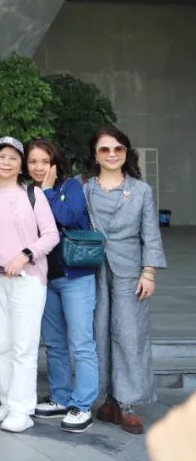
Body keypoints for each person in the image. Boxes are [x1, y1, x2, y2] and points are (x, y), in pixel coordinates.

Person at [84, 126, 166, 435]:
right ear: (95, 155)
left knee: (130, 335)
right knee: (98, 332)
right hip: (92, 270)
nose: (112, 154)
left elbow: (151, 234)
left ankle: (128, 402)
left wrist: (149, 272)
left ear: (126, 153)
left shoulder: (141, 190)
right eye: (104, 149)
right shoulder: (84, 188)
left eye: (118, 149)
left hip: (130, 271)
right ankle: (107, 399)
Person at [0, 136, 59, 433]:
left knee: (24, 346)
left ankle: (22, 409)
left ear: (20, 164)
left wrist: (25, 255)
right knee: (3, 345)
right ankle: (7, 401)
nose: (7, 162)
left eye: (13, 157)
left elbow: (51, 235)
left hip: (28, 279)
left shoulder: (32, 194)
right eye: (1, 156)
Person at [26, 137, 98, 433]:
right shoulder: (26, 192)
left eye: (45, 161)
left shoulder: (71, 187)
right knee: (54, 343)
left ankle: (82, 405)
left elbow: (67, 217)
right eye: (33, 161)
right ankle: (60, 397)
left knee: (81, 343)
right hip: (45, 278)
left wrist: (47, 191)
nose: (38, 167)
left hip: (75, 278)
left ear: (56, 163)